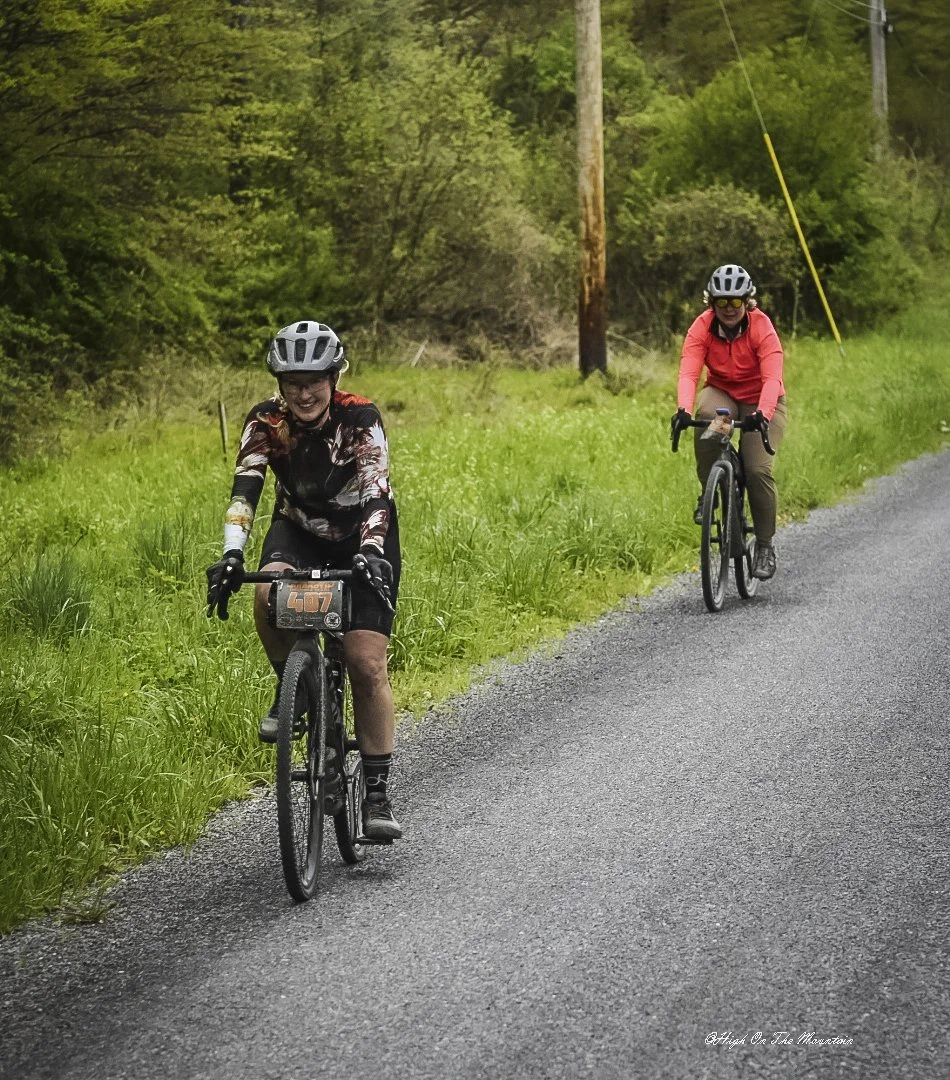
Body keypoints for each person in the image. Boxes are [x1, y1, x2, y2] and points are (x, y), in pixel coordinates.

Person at [205, 320, 403, 840]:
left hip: (365, 535)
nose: (304, 392)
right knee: (266, 593)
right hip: (298, 529)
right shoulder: (265, 421)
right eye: (292, 382)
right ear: (279, 383)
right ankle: (295, 688)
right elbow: (244, 493)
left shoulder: (359, 416)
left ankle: (377, 794)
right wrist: (231, 556)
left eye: (315, 380)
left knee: (364, 660)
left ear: (334, 376)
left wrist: (370, 552)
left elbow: (377, 491)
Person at [671, 263, 788, 580]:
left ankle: (764, 546)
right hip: (722, 395)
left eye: (735, 301)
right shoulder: (702, 327)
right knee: (706, 418)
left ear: (747, 301)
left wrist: (762, 414)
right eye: (721, 302)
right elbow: (689, 372)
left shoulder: (762, 328)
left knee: (756, 469)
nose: (728, 309)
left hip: (762, 400)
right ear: (711, 303)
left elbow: (773, 379)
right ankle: (710, 486)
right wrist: (683, 409)